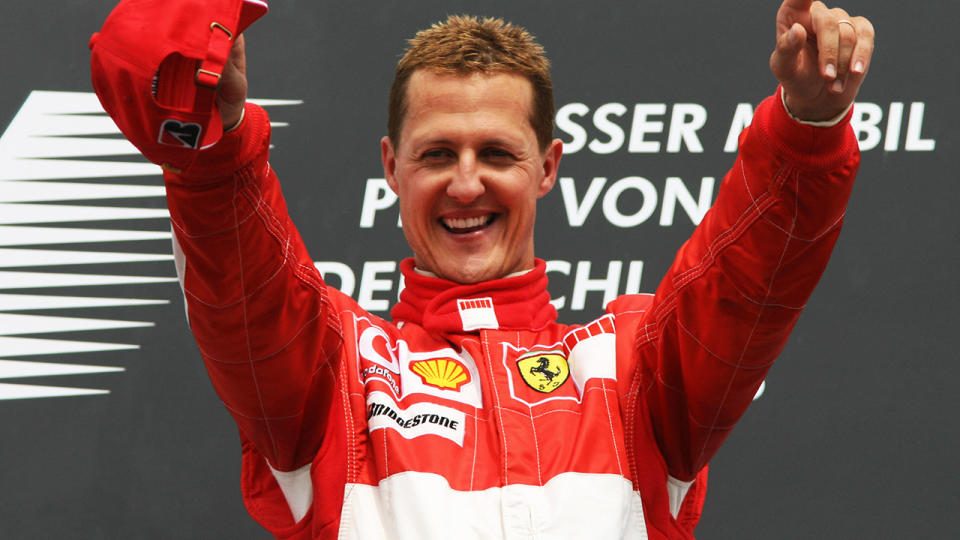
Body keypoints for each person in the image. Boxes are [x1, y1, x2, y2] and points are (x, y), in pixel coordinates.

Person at [91, 0, 874, 538]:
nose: (466, 183)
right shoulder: (337, 370)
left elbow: (749, 283)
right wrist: (213, 150)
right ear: (392, 168)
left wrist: (807, 126)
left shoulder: (634, 364)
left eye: (496, 152)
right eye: (438, 154)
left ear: (547, 167)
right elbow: (242, 286)